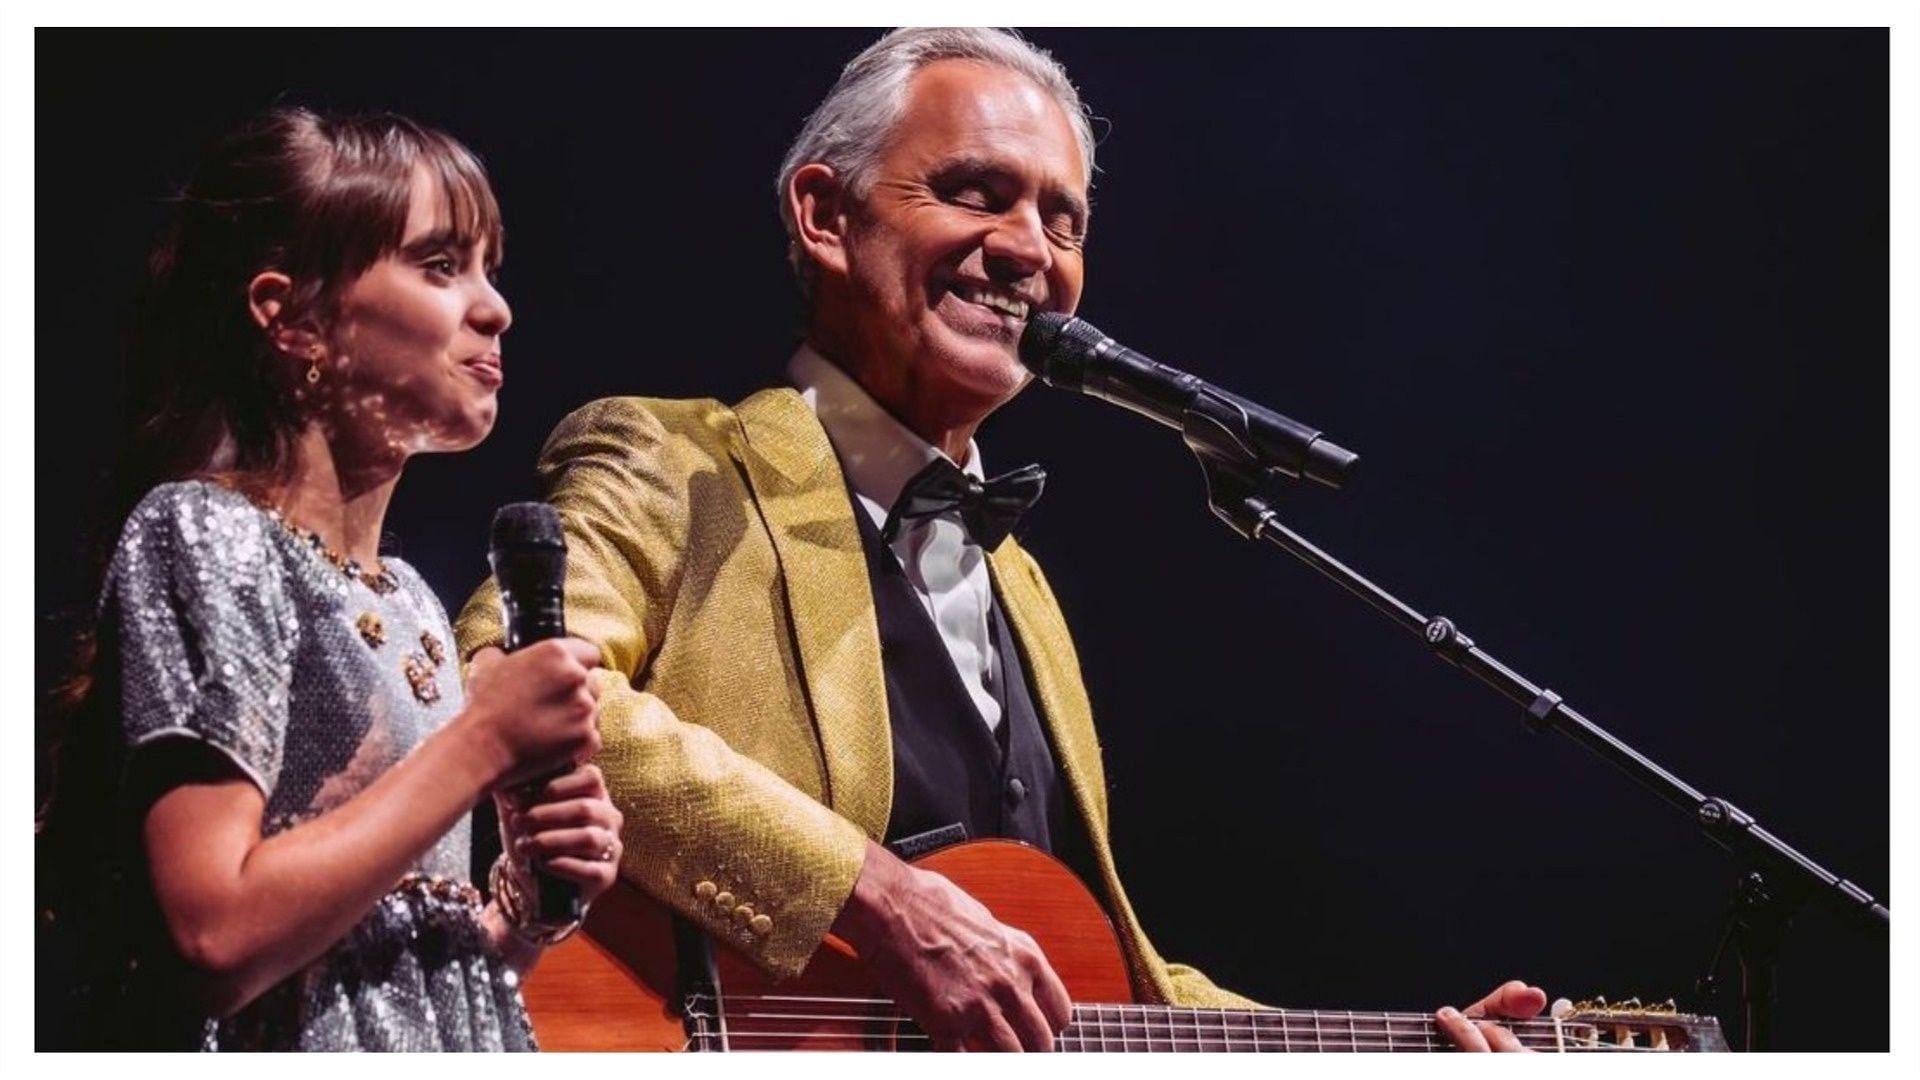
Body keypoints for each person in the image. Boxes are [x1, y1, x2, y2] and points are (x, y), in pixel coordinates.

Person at [455, 28, 1542, 1052]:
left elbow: (1109, 984)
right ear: (825, 215)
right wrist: (873, 900)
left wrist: (1406, 1046)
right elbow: (511, 687)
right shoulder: (674, 462)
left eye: (1063, 222)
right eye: (976, 194)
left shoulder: (1022, 588)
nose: (1028, 250)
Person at [35, 107, 623, 1051]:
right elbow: (217, 935)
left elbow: (381, 964)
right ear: (294, 317)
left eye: (489, 269)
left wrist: (521, 914)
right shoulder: (208, 537)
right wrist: (481, 742)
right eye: (441, 265)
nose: (495, 307)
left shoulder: (411, 599)